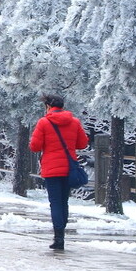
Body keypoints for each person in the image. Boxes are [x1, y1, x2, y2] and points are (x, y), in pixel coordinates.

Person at [29, 93, 89, 251]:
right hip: (69, 169)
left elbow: (34, 146)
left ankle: (58, 238)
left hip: (51, 169)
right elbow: (83, 143)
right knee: (64, 202)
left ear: (48, 106)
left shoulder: (43, 122)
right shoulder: (74, 122)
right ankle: (61, 235)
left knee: (55, 203)